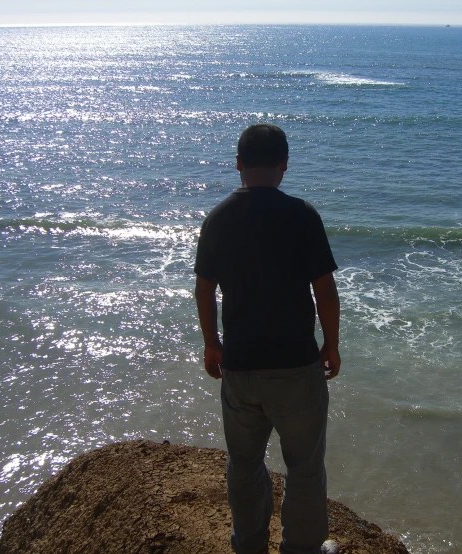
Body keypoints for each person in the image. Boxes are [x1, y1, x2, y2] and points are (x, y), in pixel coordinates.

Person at [194, 123, 341, 554]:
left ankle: (250, 545)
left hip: (240, 366)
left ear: (238, 165)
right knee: (305, 468)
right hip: (296, 365)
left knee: (243, 465)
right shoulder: (302, 215)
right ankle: (303, 548)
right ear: (284, 166)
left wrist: (211, 342)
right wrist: (330, 344)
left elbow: (204, 288)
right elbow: (325, 290)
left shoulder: (218, 218)